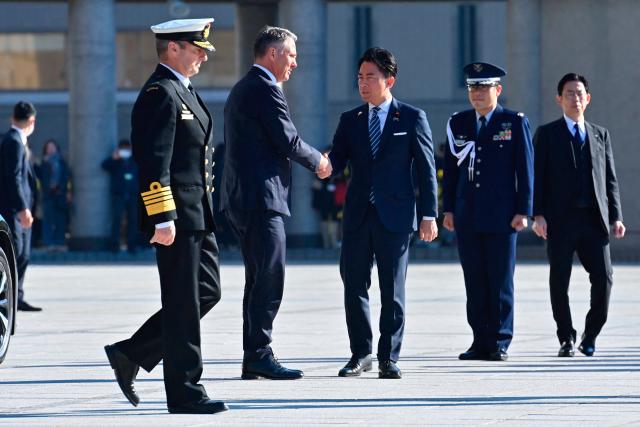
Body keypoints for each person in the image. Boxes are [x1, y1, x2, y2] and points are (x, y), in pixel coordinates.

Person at [103, 18, 228, 414]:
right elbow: (153, 161)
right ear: (172, 47)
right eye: (197, 48)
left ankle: (131, 352)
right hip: (176, 216)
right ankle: (185, 390)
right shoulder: (161, 92)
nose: (204, 56)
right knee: (183, 302)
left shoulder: (182, 90)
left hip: (197, 214)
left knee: (206, 292)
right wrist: (162, 218)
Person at [220, 25, 331, 380]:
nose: (295, 63)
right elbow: (287, 140)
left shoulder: (246, 87)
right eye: (292, 55)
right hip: (260, 198)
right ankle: (259, 353)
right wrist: (320, 161)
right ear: (273, 54)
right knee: (270, 278)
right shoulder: (264, 89)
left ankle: (252, 356)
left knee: (257, 278)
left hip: (246, 198)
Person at [327, 47, 438, 379]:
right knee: (353, 286)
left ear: (389, 80)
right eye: (360, 77)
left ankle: (389, 356)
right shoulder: (351, 120)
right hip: (359, 215)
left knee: (393, 289)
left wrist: (429, 214)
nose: (363, 84)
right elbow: (336, 163)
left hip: (397, 216)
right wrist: (315, 162)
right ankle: (360, 353)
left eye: (370, 77)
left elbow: (426, 169)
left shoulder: (412, 117)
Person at [442, 62, 533, 362]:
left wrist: (524, 210)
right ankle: (479, 340)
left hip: (503, 216)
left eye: (483, 87)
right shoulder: (459, 123)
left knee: (500, 280)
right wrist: (449, 210)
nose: (477, 93)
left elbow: (526, 170)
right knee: (475, 281)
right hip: (468, 215)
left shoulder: (513, 122)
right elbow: (451, 170)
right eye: (472, 87)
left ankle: (500, 340)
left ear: (498, 90)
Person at [532, 73, 625, 357]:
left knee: (604, 277)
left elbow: (610, 178)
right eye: (569, 93)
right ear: (559, 99)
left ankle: (591, 334)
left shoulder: (600, 134)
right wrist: (538, 214)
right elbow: (537, 177)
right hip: (559, 221)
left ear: (588, 98)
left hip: (593, 220)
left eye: (580, 92)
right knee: (559, 279)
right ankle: (566, 337)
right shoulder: (547, 134)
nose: (575, 98)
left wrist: (616, 216)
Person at [0, 101, 41, 312]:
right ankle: (11, 296)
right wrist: (22, 208)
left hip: (19, 208)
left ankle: (17, 296)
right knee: (17, 254)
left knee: (23, 254)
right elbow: (13, 178)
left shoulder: (17, 140)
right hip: (14, 209)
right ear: (31, 121)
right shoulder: (14, 142)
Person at [101, 139, 139, 253]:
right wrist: (114, 158)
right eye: (123, 149)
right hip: (118, 195)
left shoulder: (135, 161)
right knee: (116, 220)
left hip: (133, 195)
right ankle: (114, 245)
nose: (125, 151)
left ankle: (131, 245)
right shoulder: (115, 162)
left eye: (127, 149)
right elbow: (104, 165)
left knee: (133, 220)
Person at [37, 138, 71, 250]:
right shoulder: (44, 163)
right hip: (48, 194)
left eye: (53, 147)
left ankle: (60, 242)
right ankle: (48, 243)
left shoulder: (62, 162)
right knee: (47, 219)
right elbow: (40, 177)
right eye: (48, 148)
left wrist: (66, 190)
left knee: (60, 219)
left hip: (60, 194)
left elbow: (67, 177)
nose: (51, 149)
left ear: (57, 148)